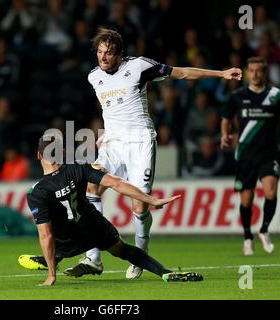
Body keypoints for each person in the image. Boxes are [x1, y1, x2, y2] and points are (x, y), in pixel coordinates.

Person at [68, 27, 242, 279]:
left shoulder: (139, 66)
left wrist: (221, 73)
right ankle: (94, 258)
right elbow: (112, 108)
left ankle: (140, 254)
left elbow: (181, 73)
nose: (102, 58)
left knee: (139, 205)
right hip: (113, 144)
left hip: (140, 142)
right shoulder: (94, 76)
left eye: (108, 53)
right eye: (99, 52)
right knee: (91, 190)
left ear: (119, 54)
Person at [18, 135, 203, 286]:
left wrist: (52, 276)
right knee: (123, 250)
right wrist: (151, 200)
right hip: (92, 225)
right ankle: (164, 273)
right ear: (63, 152)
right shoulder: (79, 169)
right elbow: (117, 183)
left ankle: (52, 261)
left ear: (39, 156)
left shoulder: (37, 192)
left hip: (67, 238)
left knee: (54, 238)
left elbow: (46, 235)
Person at [220, 57, 280, 256]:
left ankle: (264, 230)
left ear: (265, 72)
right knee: (247, 200)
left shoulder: (276, 95)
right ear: (247, 71)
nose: (255, 74)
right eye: (251, 70)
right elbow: (226, 118)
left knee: (270, 192)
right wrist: (225, 134)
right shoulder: (237, 96)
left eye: (259, 70)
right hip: (245, 154)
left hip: (268, 153)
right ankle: (247, 236)